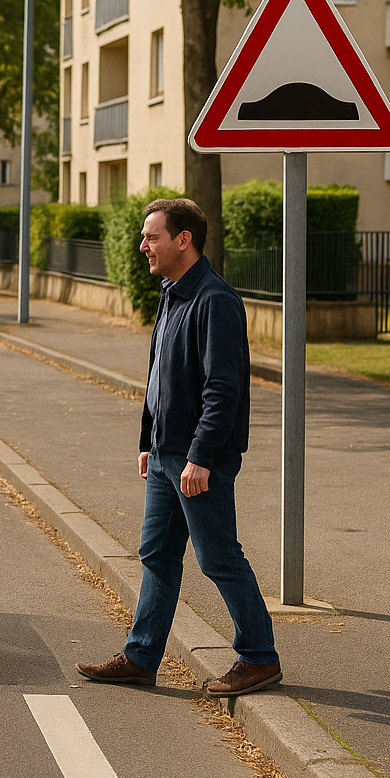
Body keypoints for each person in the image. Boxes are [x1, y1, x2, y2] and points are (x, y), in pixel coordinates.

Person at [77, 198, 282, 698]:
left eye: (152, 237)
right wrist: (149, 440)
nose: (142, 246)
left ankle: (259, 657)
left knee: (218, 557)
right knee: (157, 554)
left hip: (197, 460)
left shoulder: (215, 300)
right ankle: (141, 656)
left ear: (183, 240)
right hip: (167, 455)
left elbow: (222, 390)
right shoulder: (172, 293)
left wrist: (201, 457)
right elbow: (159, 375)